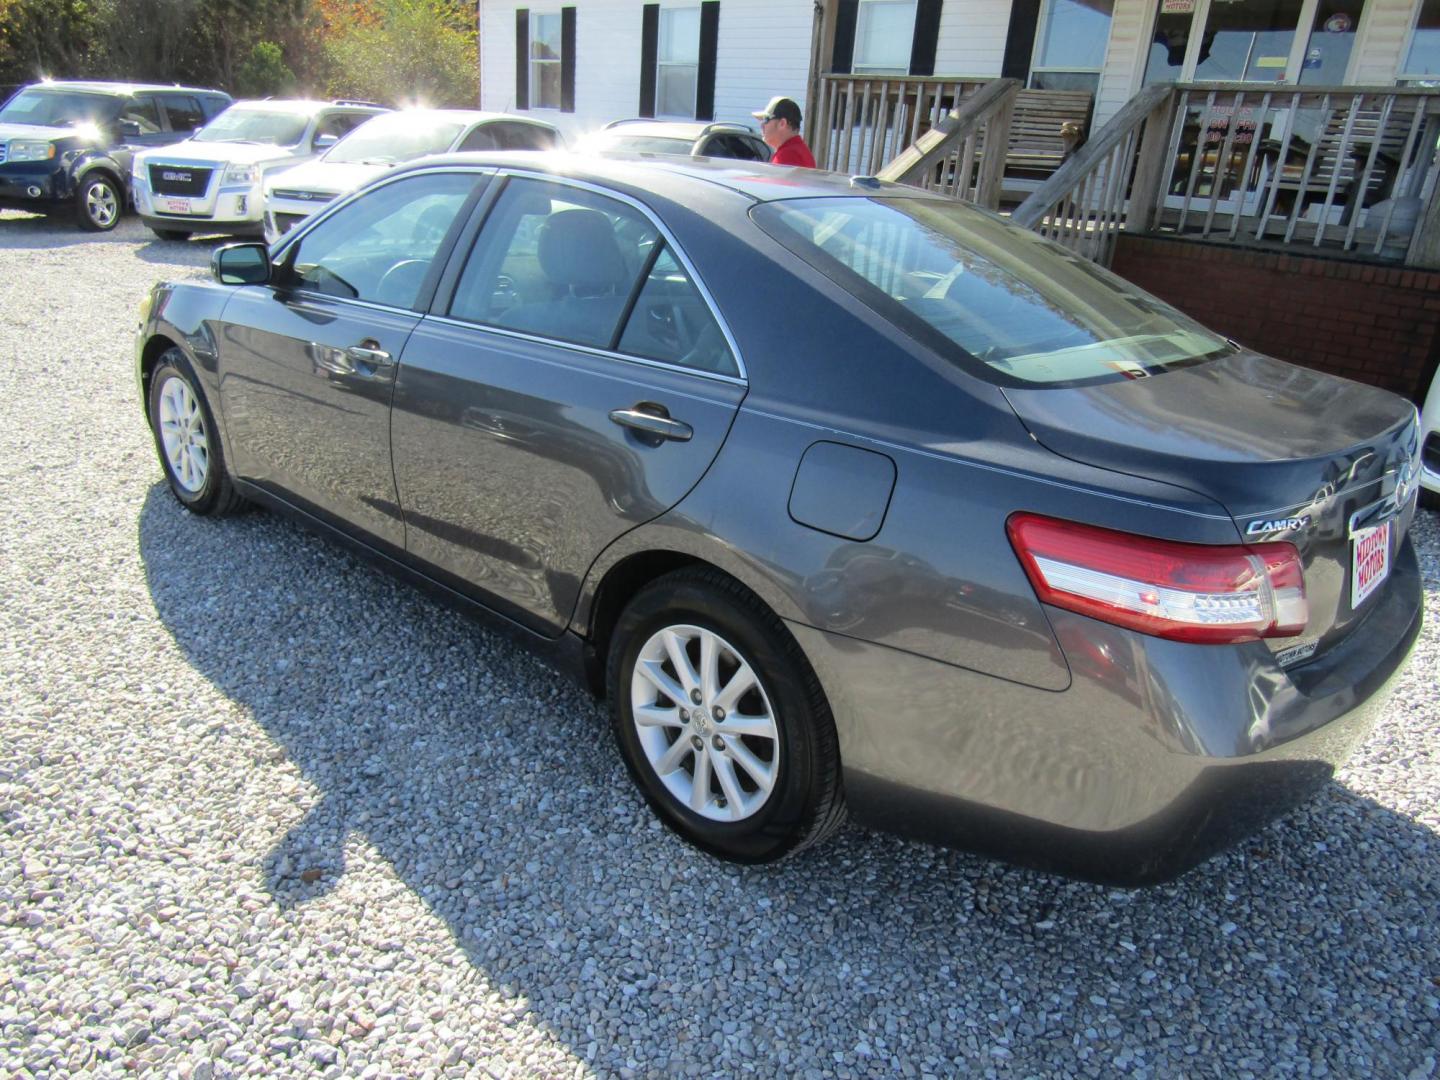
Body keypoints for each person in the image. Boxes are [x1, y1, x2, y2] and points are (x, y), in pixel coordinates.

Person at [753, 96, 815, 168]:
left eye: (766, 119)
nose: (762, 125)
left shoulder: (788, 155)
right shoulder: (797, 150)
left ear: (782, 123)